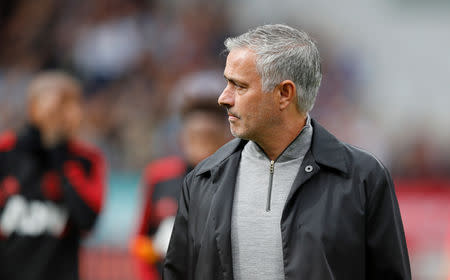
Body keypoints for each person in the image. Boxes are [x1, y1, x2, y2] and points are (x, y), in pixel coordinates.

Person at [163, 24, 411, 279]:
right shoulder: (202, 179)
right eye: (227, 83)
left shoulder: (363, 178)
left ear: (284, 93)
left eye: (239, 86)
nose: (224, 98)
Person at [0, 71, 106, 280]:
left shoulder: (87, 159)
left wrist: (59, 154)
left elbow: (87, 220)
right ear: (33, 107)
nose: (66, 114)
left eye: (73, 104)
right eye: (59, 105)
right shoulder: (6, 152)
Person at [131, 72, 232, 280]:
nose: (200, 144)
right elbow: (140, 240)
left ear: (225, 138)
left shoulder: (236, 181)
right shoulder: (159, 176)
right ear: (181, 137)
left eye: (208, 137)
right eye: (194, 136)